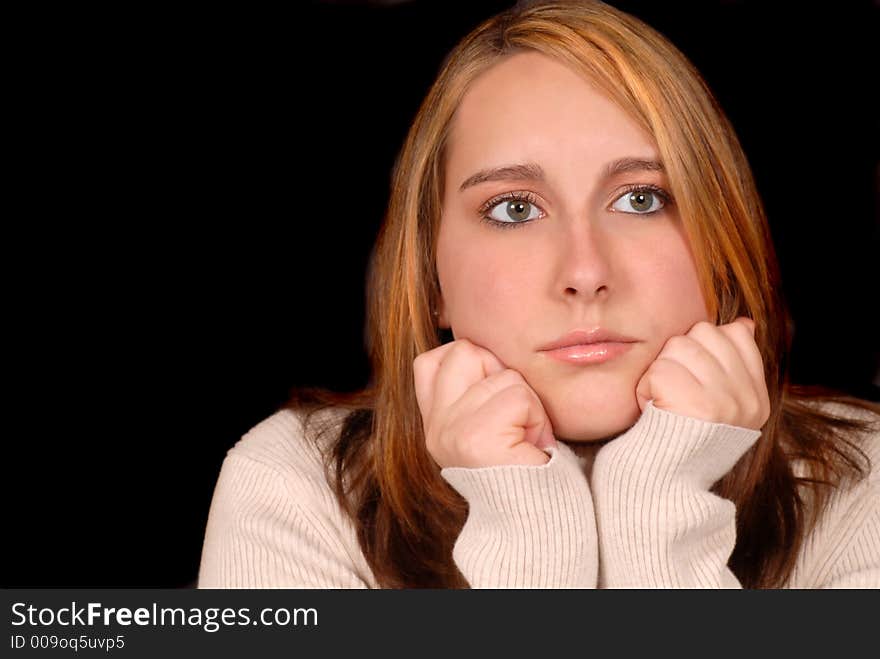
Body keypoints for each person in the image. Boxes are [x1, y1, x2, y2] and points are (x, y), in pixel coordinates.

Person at [197, 0, 879, 588]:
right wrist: (523, 515)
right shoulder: (299, 484)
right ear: (432, 280)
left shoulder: (866, 482)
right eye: (515, 209)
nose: (584, 271)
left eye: (642, 198)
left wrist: (660, 496)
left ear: (722, 245)